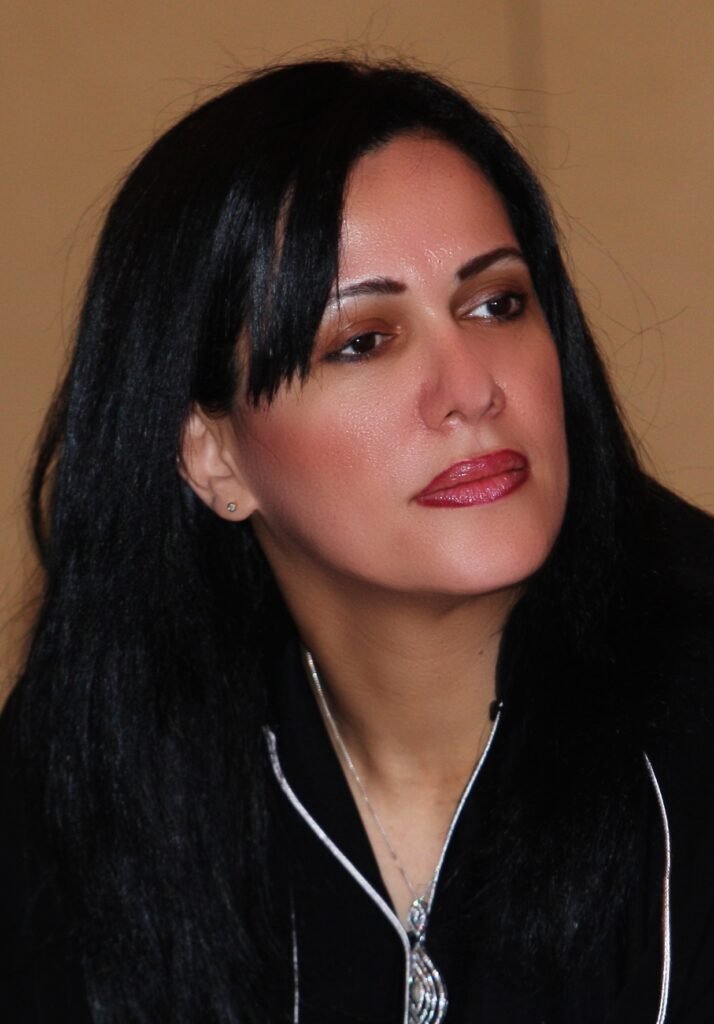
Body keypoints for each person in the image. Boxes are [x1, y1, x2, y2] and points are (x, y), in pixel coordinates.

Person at [1, 58, 713, 1024]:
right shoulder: (88, 785)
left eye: (496, 304)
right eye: (364, 341)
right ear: (212, 455)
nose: (472, 389)